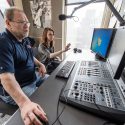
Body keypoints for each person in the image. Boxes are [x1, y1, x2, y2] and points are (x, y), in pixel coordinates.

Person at [0, 7, 48, 125]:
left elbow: (29, 56)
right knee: (44, 105)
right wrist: (24, 103)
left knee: (53, 81)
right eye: (22, 22)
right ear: (8, 23)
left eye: (27, 22)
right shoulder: (3, 43)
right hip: (20, 87)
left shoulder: (24, 39)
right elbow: (6, 77)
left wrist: (40, 63)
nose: (27, 25)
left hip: (33, 77)